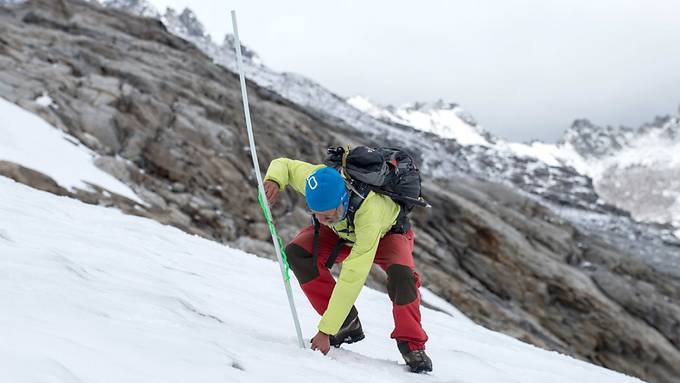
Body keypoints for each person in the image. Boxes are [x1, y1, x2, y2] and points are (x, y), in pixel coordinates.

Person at [263, 157, 432, 373]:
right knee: (298, 252)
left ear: (343, 198)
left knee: (402, 278)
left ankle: (412, 345)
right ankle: (346, 323)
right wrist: (273, 180)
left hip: (387, 235)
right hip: (344, 233)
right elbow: (283, 164)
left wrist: (325, 330)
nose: (326, 219)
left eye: (331, 213)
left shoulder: (369, 210)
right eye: (319, 216)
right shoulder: (315, 181)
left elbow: (352, 276)